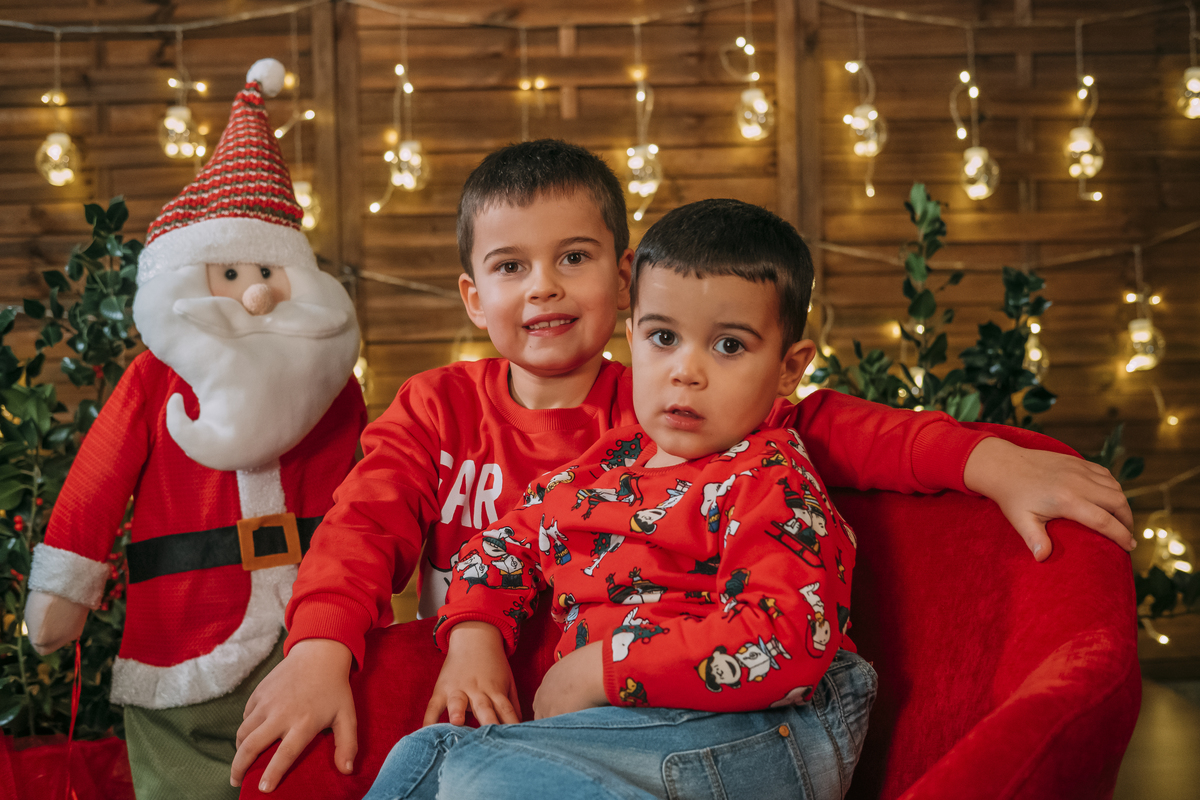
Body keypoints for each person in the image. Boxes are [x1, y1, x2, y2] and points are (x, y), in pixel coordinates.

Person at [231, 140, 1135, 796]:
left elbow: (841, 473)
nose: (544, 286)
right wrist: (440, 634)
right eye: (514, 266)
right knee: (424, 760)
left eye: (572, 259)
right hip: (592, 713)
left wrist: (987, 460)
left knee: (483, 781)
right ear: (475, 294)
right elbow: (440, 538)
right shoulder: (597, 453)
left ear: (619, 281)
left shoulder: (730, 445)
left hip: (747, 714)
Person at [362, 198, 891, 798]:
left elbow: (786, 639)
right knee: (427, 756)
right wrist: (475, 637)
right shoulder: (610, 465)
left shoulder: (769, 475)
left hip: (771, 728)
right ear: (632, 336)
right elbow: (505, 543)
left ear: (788, 368)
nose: (685, 371)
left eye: (729, 347)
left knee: (485, 774)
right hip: (626, 728)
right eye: (663, 337)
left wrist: (599, 670)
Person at [23, 58, 365, 800]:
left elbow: (362, 500)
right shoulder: (152, 382)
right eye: (231, 275)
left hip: (309, 637)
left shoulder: (335, 390)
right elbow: (96, 480)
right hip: (179, 636)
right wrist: (65, 590)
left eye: (269, 275)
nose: (255, 297)